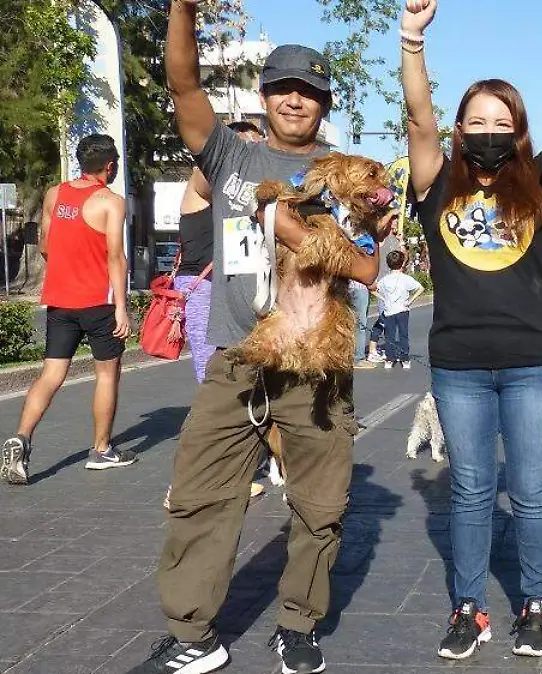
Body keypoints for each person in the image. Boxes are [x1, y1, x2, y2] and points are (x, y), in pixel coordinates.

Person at [129, 2, 384, 673]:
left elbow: (367, 262)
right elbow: (184, 84)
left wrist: (312, 231)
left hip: (315, 365)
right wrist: (183, 8)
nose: (296, 99)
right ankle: (194, 635)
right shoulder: (231, 155)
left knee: (321, 506)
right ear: (265, 96)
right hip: (236, 357)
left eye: (310, 91)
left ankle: (298, 625)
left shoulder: (348, 172)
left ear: (324, 103)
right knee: (199, 498)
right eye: (283, 88)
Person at [400, 0, 542, 661]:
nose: (489, 131)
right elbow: (419, 117)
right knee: (471, 489)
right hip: (459, 364)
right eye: (477, 120)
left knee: (530, 491)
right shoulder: (437, 182)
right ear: (459, 129)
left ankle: (537, 604)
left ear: (521, 131)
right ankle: (468, 608)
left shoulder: (538, 183)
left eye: (502, 122)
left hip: (535, 362)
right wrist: (412, 39)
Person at [0, 134, 133, 485]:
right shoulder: (110, 201)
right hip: (98, 303)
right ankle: (102, 450)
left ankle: (21, 438)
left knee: (51, 375)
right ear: (109, 166)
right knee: (107, 374)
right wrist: (122, 307)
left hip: (59, 301)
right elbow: (116, 258)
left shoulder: (55, 195)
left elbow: (46, 246)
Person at [174, 121, 266, 384]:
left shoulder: (248, 194)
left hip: (241, 286)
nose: (252, 150)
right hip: (205, 286)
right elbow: (215, 175)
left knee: (251, 373)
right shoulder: (203, 174)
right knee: (213, 375)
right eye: (246, 143)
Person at [374, 249, 424, 369]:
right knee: (403, 334)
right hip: (403, 310)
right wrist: (410, 301)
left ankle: (389, 360)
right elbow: (420, 288)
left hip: (389, 311)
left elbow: (372, 288)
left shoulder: (384, 280)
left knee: (389, 336)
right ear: (402, 264)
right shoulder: (406, 278)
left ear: (388, 264)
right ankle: (405, 359)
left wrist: (383, 298)